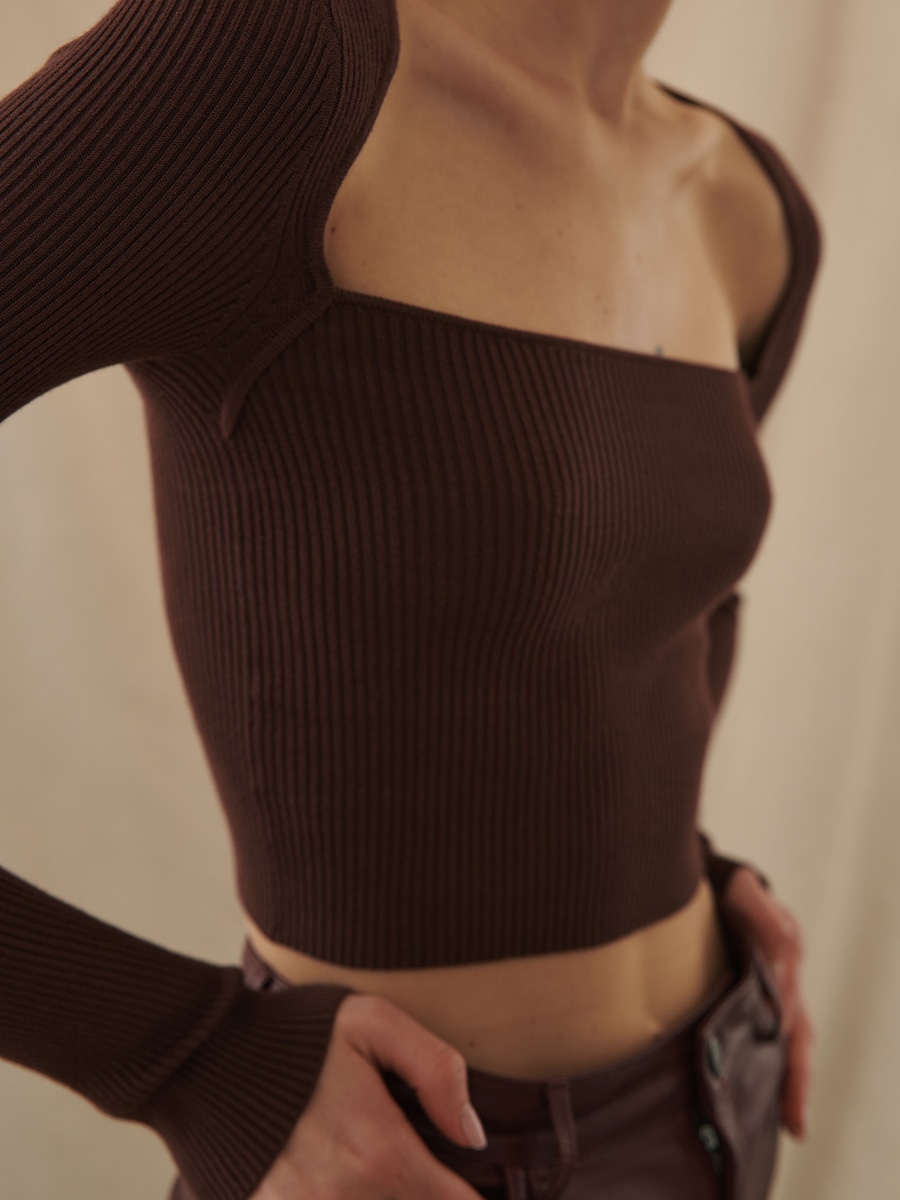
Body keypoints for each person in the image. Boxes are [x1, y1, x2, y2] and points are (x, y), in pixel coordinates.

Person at [0, 0, 821, 1198]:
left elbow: (635, 618)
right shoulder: (267, 61)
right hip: (403, 1152)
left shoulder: (748, 202)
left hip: (719, 1095)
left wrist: (684, 872)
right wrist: (184, 1057)